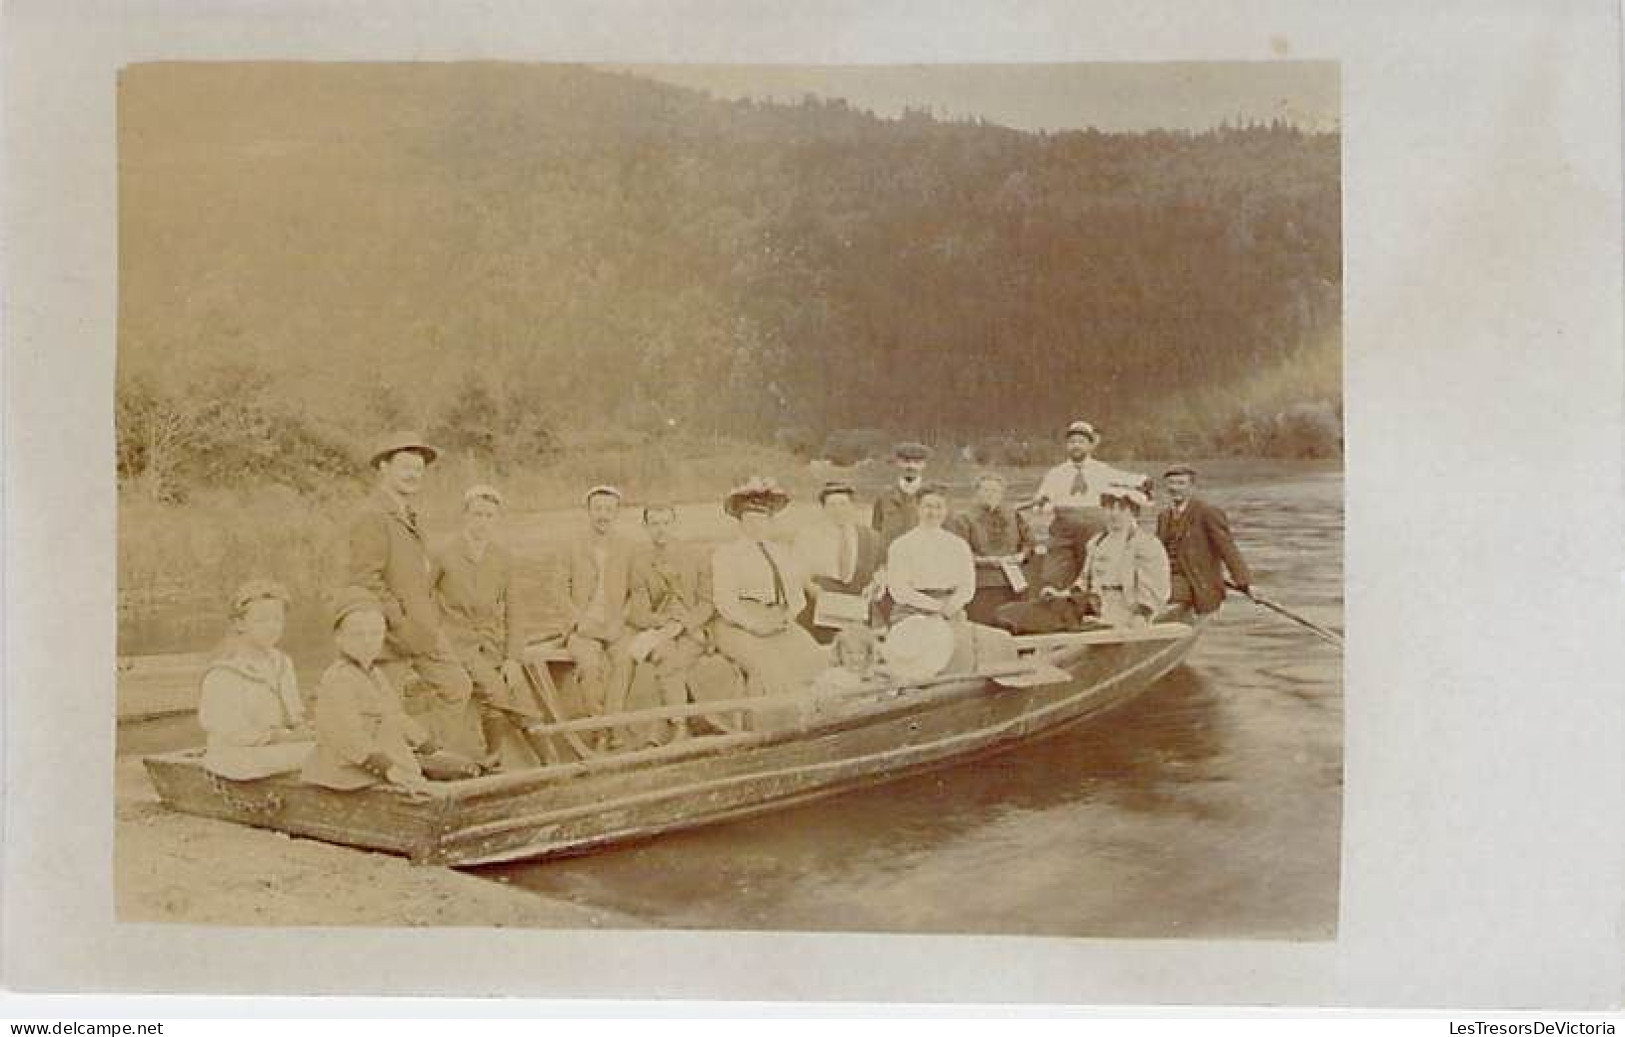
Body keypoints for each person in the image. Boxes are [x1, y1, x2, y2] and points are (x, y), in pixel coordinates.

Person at [346, 431, 478, 760]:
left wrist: (428, 619)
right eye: (405, 467)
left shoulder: (408, 513)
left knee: (457, 687)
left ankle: (426, 757)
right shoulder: (372, 515)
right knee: (384, 709)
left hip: (423, 629)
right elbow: (366, 579)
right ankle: (396, 768)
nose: (413, 475)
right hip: (389, 636)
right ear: (383, 469)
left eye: (418, 469)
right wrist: (399, 622)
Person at [302, 587, 481, 792]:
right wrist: (387, 769)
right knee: (415, 789)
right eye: (358, 635)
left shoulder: (375, 675)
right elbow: (349, 737)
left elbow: (396, 715)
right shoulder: (338, 679)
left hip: (379, 757)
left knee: (455, 768)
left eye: (375, 633)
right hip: (347, 770)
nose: (368, 641)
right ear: (339, 638)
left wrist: (426, 745)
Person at [430, 484, 549, 770]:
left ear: (496, 519)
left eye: (488, 516)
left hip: (492, 644)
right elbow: (421, 601)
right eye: (476, 514)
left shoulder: (503, 557)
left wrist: (511, 657)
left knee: (514, 685)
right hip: (456, 644)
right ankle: (543, 756)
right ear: (464, 516)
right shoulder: (443, 554)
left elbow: (515, 611)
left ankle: (504, 757)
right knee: (495, 688)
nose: (482, 522)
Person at [709, 477, 826, 705]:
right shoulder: (727, 554)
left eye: (761, 519)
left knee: (814, 658)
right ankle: (772, 724)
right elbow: (725, 603)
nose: (756, 525)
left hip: (777, 620)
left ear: (770, 522)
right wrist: (756, 625)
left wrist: (786, 617)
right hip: (739, 624)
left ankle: (815, 717)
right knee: (768, 666)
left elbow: (795, 595)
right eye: (749, 520)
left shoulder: (782, 552)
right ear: (740, 523)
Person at [996, 486, 1170, 633]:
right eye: (1109, 508)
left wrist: (1142, 614)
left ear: (1134, 512)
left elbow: (1154, 588)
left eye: (1121, 509)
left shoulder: (1145, 544)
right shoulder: (1098, 542)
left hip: (1127, 608)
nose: (1114, 514)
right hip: (1096, 606)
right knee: (1023, 613)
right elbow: (1084, 579)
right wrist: (1064, 594)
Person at [197, 579, 314, 781]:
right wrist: (280, 737)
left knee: (333, 746)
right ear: (240, 623)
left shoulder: (282, 663)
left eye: (277, 620)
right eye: (262, 620)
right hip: (236, 756)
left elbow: (293, 713)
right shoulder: (224, 673)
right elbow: (230, 731)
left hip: (277, 748)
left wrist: (302, 728)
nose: (272, 627)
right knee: (320, 755)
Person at [622, 502, 716, 747]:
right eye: (654, 524)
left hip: (693, 630)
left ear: (675, 524)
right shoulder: (640, 561)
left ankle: (665, 728)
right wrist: (664, 624)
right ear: (645, 527)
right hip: (657, 631)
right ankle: (680, 725)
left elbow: (707, 603)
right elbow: (638, 611)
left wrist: (683, 624)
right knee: (665, 655)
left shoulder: (696, 555)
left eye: (665, 523)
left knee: (673, 662)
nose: (660, 529)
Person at [1026, 421, 1149, 592]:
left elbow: (1135, 482)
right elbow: (1040, 500)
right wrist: (1043, 504)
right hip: (1063, 528)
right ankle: (1057, 602)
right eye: (1072, 442)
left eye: (1081, 442)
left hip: (1094, 525)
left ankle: (1090, 606)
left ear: (1091, 445)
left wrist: (1143, 484)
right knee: (1055, 572)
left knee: (1093, 567)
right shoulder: (1056, 473)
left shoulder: (1102, 470)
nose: (1076, 446)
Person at [561, 485, 636, 736]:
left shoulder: (627, 546)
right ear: (588, 511)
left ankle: (614, 724)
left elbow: (636, 592)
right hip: (583, 626)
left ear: (616, 514)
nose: (603, 515)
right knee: (590, 666)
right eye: (598, 509)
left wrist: (621, 621)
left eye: (609, 509)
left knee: (625, 660)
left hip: (616, 625)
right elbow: (557, 590)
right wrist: (577, 622)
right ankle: (598, 727)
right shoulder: (571, 545)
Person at [1156, 465, 1254, 621]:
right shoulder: (1163, 516)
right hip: (1170, 578)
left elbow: (1228, 549)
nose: (1175, 488)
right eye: (1171, 483)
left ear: (1192, 487)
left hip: (1198, 583)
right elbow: (1158, 552)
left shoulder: (1207, 512)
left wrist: (1246, 583)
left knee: (1165, 596)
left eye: (1181, 483)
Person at [792, 480, 885, 643]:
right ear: (824, 508)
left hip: (856, 606)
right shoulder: (809, 535)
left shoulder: (870, 537)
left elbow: (882, 571)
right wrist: (810, 587)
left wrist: (875, 586)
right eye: (832, 505)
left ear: (852, 506)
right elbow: (798, 570)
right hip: (820, 604)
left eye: (843, 504)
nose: (838, 510)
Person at [948, 472, 1038, 626]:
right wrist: (987, 561)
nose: (991, 495)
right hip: (982, 584)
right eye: (986, 490)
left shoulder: (1013, 515)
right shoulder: (964, 518)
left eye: (995, 491)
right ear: (977, 493)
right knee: (985, 626)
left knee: (1016, 623)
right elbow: (959, 552)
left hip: (1013, 582)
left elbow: (1029, 542)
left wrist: (1021, 556)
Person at [884, 483, 976, 625]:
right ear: (918, 509)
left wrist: (953, 605)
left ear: (946, 510)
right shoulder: (901, 545)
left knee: (961, 642)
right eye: (928, 507)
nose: (933, 513)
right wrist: (936, 607)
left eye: (939, 507)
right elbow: (899, 590)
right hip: (911, 610)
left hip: (950, 610)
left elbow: (967, 586)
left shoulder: (959, 545)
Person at [871, 441, 933, 549]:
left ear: (924, 465)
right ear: (898, 462)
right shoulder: (884, 497)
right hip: (892, 558)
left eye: (917, 462)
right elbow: (876, 533)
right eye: (906, 461)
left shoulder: (933, 497)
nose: (911, 466)